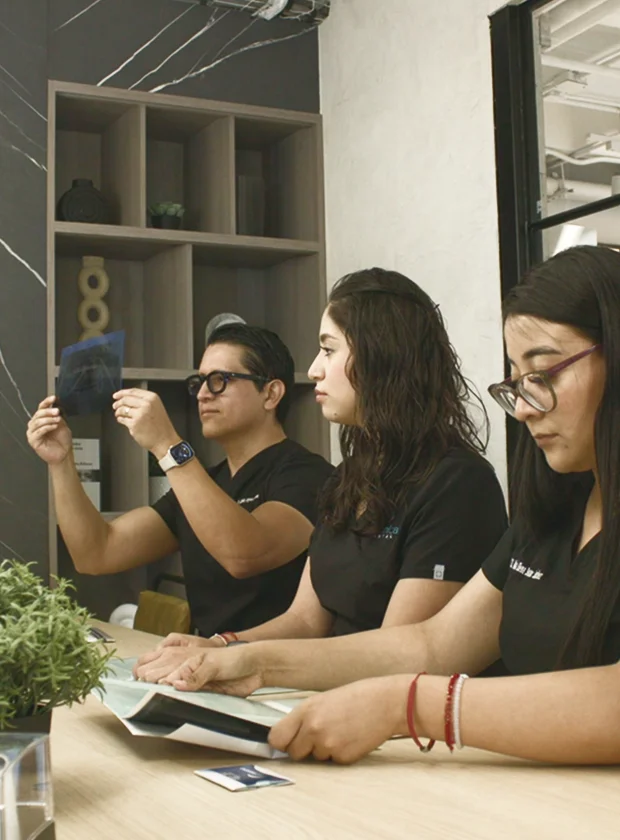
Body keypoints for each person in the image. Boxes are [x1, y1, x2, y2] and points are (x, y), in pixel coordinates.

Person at [137, 245, 620, 767]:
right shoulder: (554, 510)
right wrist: (243, 657)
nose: (524, 408)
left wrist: (406, 703)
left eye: (544, 374)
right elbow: (433, 647)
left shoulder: (456, 481)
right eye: (518, 382)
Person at [135, 267, 507, 679]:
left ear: (381, 355)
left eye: (328, 350)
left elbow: (399, 660)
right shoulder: (347, 478)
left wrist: (252, 662)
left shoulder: (457, 484)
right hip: (331, 700)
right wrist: (220, 645)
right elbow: (306, 622)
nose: (313, 369)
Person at [27, 324, 333, 637]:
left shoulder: (307, 475)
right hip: (206, 666)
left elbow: (243, 555)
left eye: (219, 381)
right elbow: (96, 553)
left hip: (277, 672)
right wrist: (61, 461)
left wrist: (167, 445)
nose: (202, 394)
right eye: (199, 381)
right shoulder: (205, 482)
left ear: (271, 393)